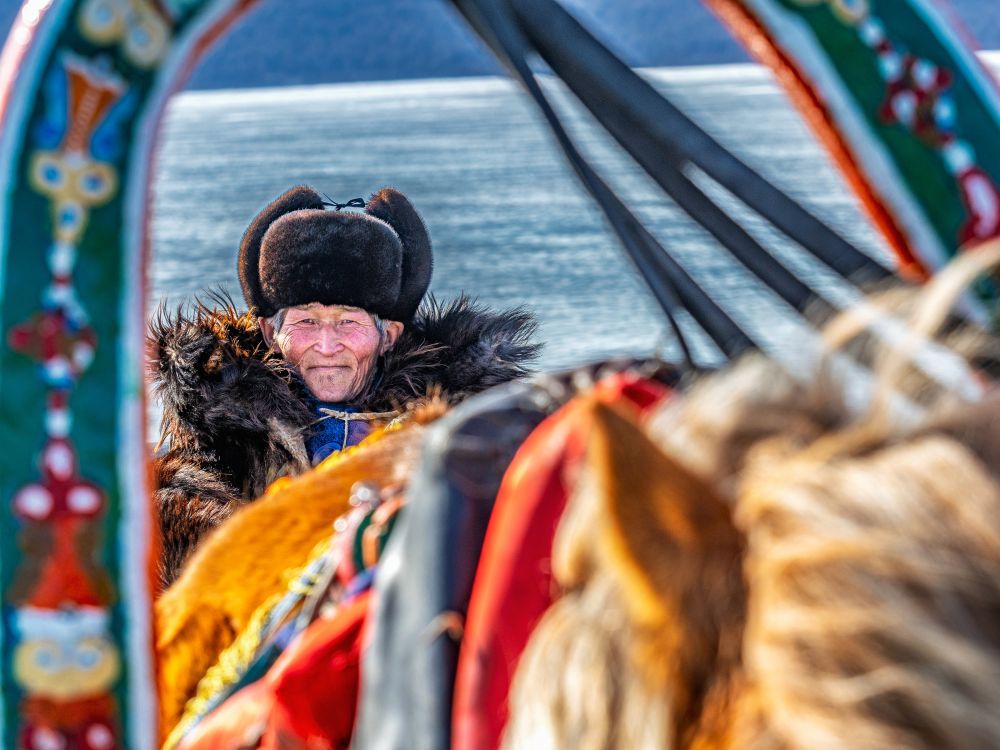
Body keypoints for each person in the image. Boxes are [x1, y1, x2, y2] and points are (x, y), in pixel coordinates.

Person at [150, 185, 539, 588]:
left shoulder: (459, 432)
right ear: (270, 333)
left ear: (388, 334)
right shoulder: (222, 441)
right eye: (305, 322)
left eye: (348, 321)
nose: (326, 345)